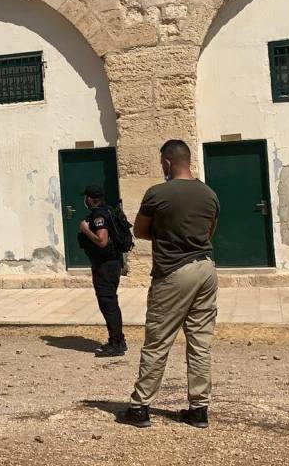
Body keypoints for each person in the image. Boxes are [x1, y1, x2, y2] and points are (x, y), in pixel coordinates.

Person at [120, 140, 220, 430]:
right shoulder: (209, 194)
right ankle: (199, 409)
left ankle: (140, 407)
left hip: (173, 272)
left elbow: (139, 231)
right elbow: (208, 233)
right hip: (205, 268)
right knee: (200, 342)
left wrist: (167, 235)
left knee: (158, 340)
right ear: (188, 161)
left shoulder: (157, 194)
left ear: (166, 162)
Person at [77, 185, 126, 357]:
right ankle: (118, 340)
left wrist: (85, 229)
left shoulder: (99, 215)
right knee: (110, 302)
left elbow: (102, 240)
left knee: (108, 303)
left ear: (89, 199)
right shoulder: (108, 211)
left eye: (86, 198)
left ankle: (116, 344)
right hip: (111, 263)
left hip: (106, 265)